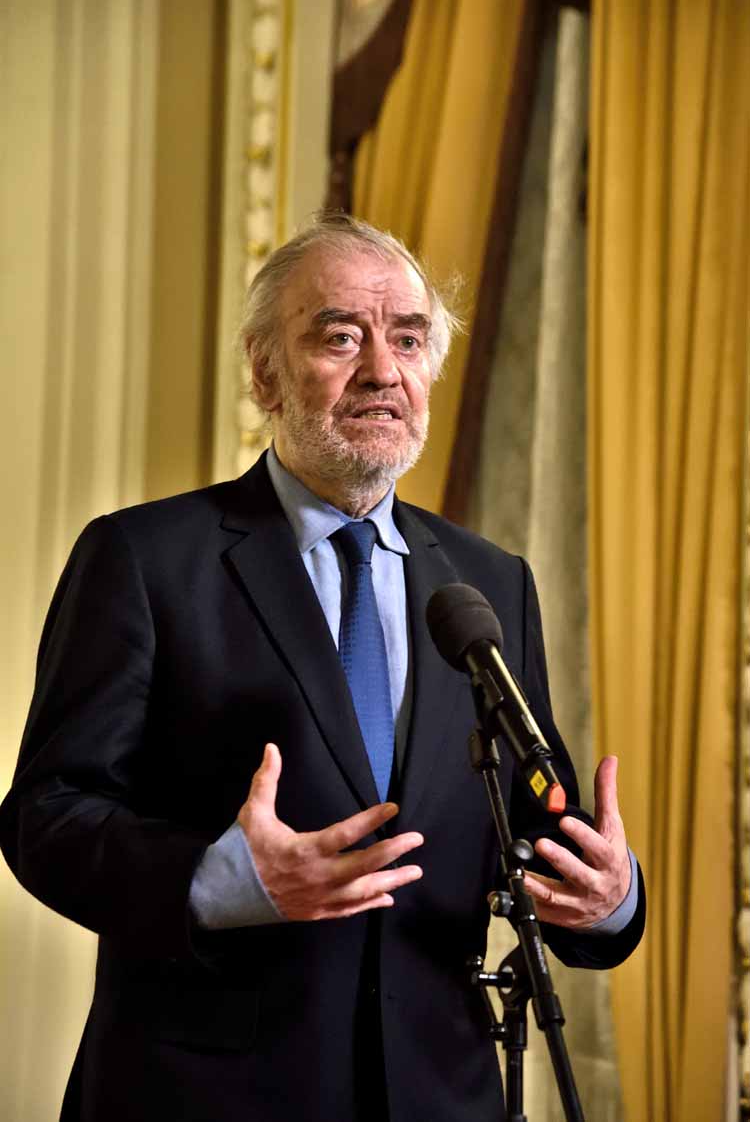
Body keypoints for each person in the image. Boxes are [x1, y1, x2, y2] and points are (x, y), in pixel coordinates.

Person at [0, 213, 644, 1122]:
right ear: (266, 373)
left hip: (440, 1096)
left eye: (408, 340)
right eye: (341, 337)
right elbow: (48, 817)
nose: (382, 370)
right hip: (205, 1096)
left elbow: (541, 827)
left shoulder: (490, 583)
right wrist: (223, 879)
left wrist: (610, 895)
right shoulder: (144, 559)